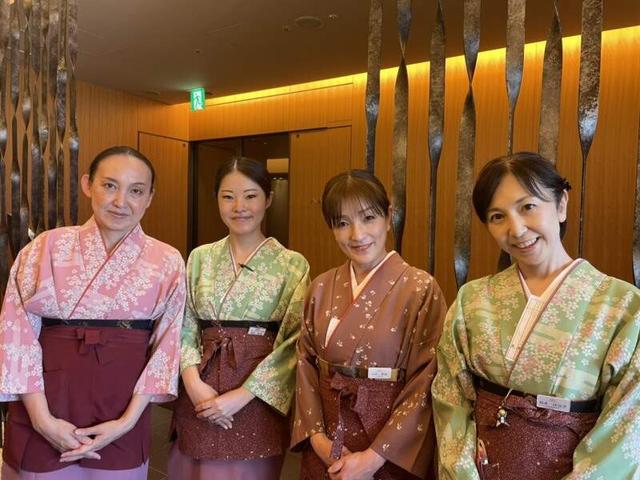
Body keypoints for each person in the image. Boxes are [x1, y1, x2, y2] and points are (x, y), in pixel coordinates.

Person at [432, 151, 640, 479]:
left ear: (561, 205)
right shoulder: (472, 300)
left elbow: (627, 424)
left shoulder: (622, 307)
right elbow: (450, 398)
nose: (516, 230)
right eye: (497, 216)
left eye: (528, 207)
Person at [0, 146, 186, 479]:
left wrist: (126, 422)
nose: (120, 201)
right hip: (44, 407)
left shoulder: (167, 261)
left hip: (121, 412)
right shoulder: (45, 247)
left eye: (136, 191)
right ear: (88, 184)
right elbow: (16, 335)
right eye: (110, 185)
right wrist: (42, 420)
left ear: (150, 198)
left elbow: (167, 347)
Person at [292, 169, 447, 480]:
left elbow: (427, 378)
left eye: (368, 218)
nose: (357, 235)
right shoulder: (320, 287)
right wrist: (318, 440)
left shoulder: (420, 288)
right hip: (328, 446)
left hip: (387, 452)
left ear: (388, 217)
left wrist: (373, 458)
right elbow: (305, 365)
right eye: (342, 223)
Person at [169, 156, 310, 479]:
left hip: (256, 396)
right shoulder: (200, 258)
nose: (239, 207)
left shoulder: (292, 264)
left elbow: (294, 341)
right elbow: (183, 324)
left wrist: (242, 396)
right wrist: (193, 384)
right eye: (228, 196)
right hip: (201, 390)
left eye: (250, 196)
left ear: (268, 199)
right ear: (217, 199)